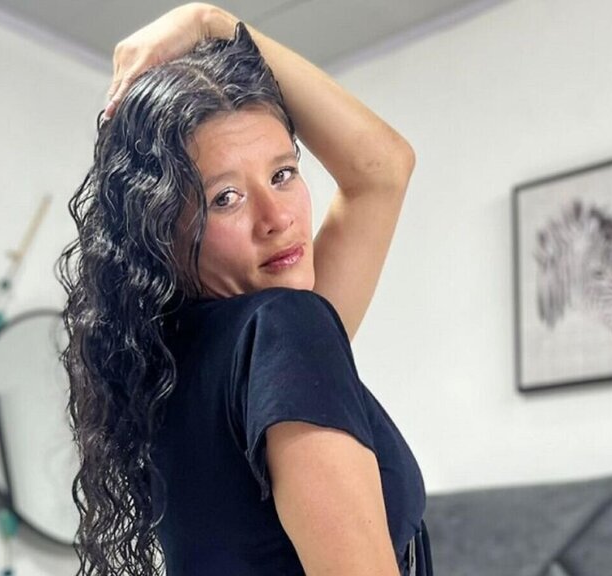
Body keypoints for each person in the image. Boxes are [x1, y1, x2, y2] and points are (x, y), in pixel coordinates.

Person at [56, 3, 431, 575]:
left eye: (282, 174)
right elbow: (381, 167)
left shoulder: (169, 368)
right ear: (163, 231)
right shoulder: (283, 331)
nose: (277, 219)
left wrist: (211, 24)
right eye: (225, 198)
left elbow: (384, 170)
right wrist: (210, 21)